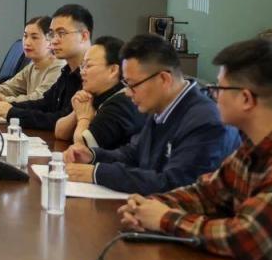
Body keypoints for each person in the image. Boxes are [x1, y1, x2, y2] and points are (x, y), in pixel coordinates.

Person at [117, 39, 272, 260]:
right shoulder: (252, 149)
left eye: (219, 88)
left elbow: (247, 238)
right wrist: (151, 205)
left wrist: (165, 218)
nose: (213, 96)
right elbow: (205, 193)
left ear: (246, 99)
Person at [64, 34, 239, 194]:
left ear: (164, 79)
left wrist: (97, 173)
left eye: (132, 85)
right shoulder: (160, 106)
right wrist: (93, 155)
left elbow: (175, 184)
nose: (128, 92)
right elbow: (133, 154)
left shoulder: (204, 121)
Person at [0, 4, 93, 131]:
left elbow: (60, 119)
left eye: (61, 33)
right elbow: (46, 103)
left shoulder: (91, 75)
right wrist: (9, 105)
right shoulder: (68, 71)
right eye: (52, 34)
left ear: (84, 36)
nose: (54, 41)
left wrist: (12, 112)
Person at [54, 36, 144, 149]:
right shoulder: (94, 94)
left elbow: (83, 148)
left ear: (113, 70)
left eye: (88, 66)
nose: (82, 72)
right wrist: (77, 112)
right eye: (82, 66)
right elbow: (60, 133)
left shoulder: (121, 102)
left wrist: (83, 118)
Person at [0, 16, 63, 108]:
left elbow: (38, 99)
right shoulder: (32, 65)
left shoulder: (58, 67)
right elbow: (10, 87)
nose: (27, 42)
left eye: (34, 37)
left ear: (50, 41)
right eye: (25, 36)